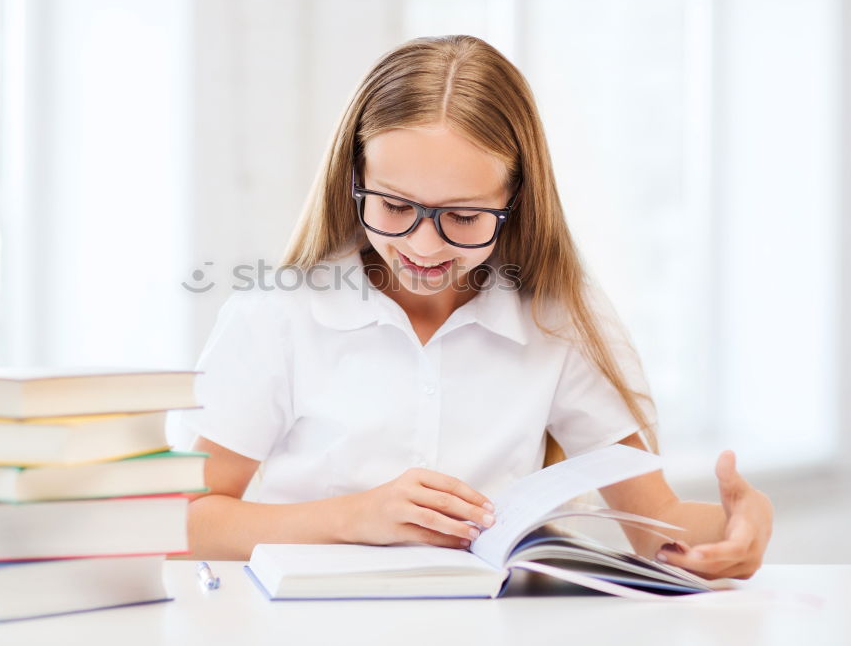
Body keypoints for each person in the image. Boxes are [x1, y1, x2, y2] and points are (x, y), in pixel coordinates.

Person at [182, 34, 773, 579]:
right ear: (354, 179)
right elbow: (186, 520)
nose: (423, 245)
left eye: (463, 217)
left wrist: (735, 529)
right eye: (393, 206)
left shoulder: (558, 317)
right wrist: (353, 518)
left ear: (516, 199)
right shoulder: (278, 314)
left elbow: (656, 524)